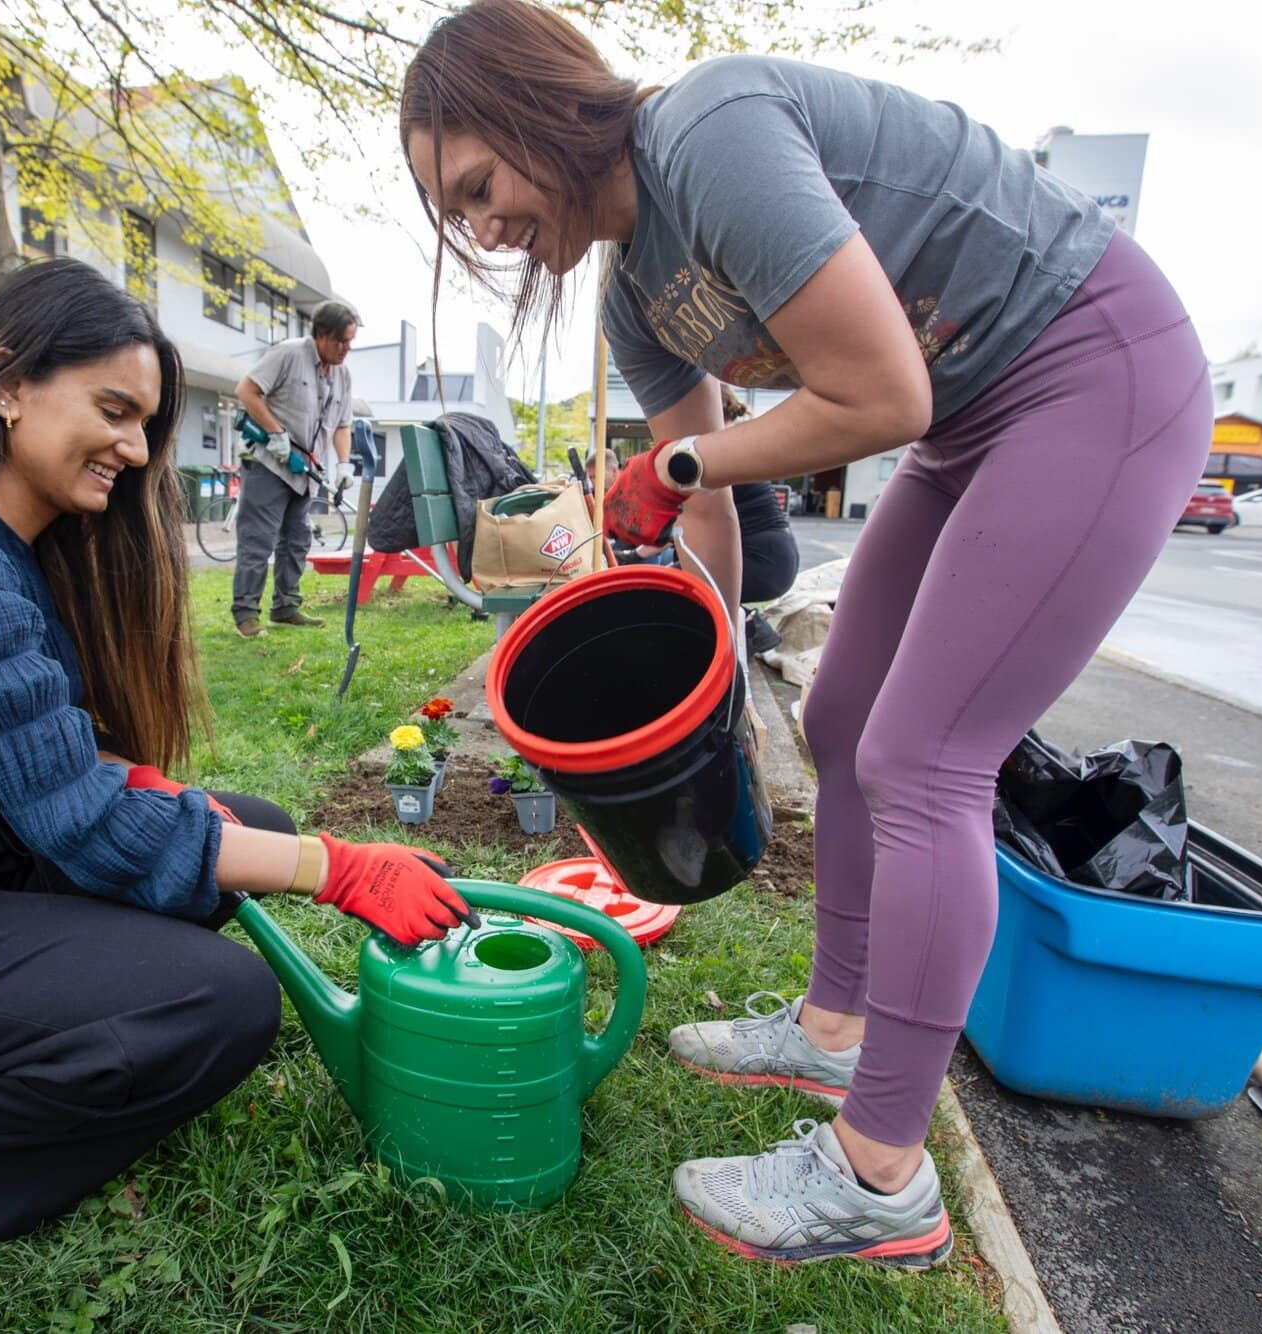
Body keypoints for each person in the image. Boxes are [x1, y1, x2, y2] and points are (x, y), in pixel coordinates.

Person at [402, 0, 1210, 1270]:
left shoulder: (708, 132)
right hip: (964, 425)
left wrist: (668, 462)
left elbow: (870, 397)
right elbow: (707, 501)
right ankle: (832, 1023)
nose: (485, 227)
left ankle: (879, 1173)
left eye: (479, 184)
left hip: (1086, 369)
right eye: (457, 214)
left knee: (923, 759)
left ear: (535, 109)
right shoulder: (630, 302)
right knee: (836, 723)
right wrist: (698, 649)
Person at [0, 260, 474, 1249]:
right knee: (220, 999)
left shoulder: (4, 543)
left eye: (143, 422)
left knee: (252, 829)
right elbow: (83, 820)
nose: (130, 443)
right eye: (112, 408)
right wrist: (338, 866)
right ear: (7, 381)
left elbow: (48, 764)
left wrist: (167, 799)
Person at [230, 299, 362, 638]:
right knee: (258, 539)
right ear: (321, 334)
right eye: (341, 341)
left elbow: (342, 424)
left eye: (351, 341)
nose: (347, 348)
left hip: (305, 470)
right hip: (268, 465)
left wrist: (344, 462)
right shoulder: (288, 354)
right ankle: (246, 614)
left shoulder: (343, 374)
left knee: (296, 540)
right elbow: (247, 390)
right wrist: (274, 432)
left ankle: (286, 606)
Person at [717, 387, 800, 655]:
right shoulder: (732, 441)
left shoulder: (721, 449)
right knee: (685, 572)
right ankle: (747, 626)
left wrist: (637, 553)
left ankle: (750, 630)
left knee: (687, 583)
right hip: (777, 555)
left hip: (765, 561)